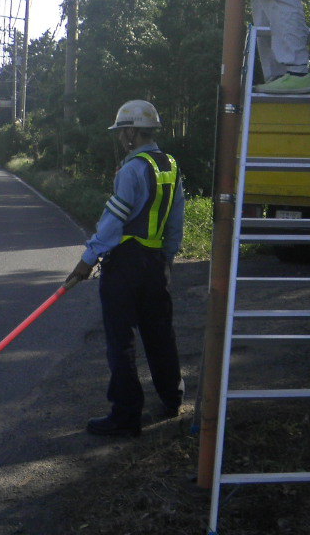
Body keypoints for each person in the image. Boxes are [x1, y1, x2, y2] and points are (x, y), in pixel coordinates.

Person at [64, 99, 185, 437]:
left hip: (126, 264)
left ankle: (126, 415)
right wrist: (167, 260)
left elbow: (113, 223)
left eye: (122, 133)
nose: (120, 138)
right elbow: (176, 220)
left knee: (121, 341)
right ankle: (172, 399)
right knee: (160, 334)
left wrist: (87, 261)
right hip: (156, 264)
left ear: (131, 132)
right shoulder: (170, 165)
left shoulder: (132, 169)